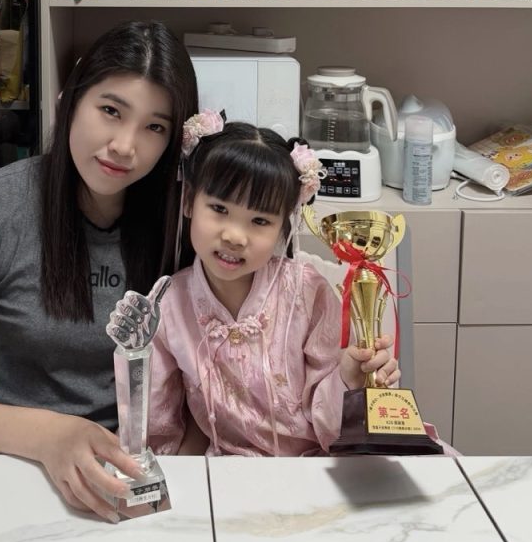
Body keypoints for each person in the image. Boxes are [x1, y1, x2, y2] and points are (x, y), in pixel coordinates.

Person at [0, 20, 198, 521]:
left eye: (155, 127)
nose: (125, 145)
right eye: (111, 110)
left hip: (125, 475)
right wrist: (49, 434)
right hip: (1, 462)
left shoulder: (186, 222)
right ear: (71, 100)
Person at [108, 118, 407, 457]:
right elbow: (158, 421)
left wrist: (349, 378)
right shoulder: (169, 306)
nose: (235, 236)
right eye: (219, 209)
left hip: (314, 465)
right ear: (189, 200)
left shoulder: (307, 291)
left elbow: (330, 419)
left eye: (260, 221)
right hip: (227, 471)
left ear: (283, 225)